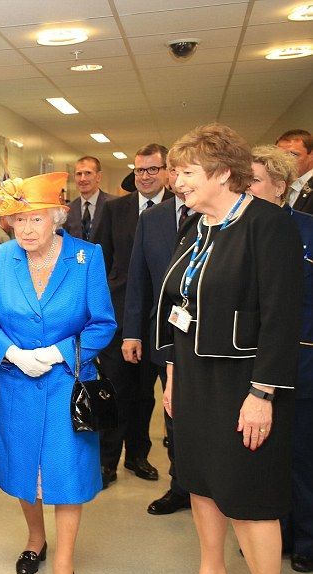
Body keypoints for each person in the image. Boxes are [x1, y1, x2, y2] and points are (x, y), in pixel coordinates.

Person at [156, 124, 303, 574]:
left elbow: (282, 318)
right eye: (176, 172)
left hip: (245, 381)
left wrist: (263, 394)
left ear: (222, 173)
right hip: (194, 375)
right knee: (200, 480)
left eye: (188, 172)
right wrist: (173, 375)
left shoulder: (268, 225)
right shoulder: (196, 227)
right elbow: (180, 305)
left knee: (248, 492)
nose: (178, 182)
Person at [0, 172, 116, 574]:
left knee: (65, 472)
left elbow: (103, 324)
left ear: (57, 217)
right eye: (18, 220)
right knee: (23, 467)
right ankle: (36, 539)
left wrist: (57, 353)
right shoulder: (1, 257)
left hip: (67, 382)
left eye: (36, 219)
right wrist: (11, 353)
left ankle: (64, 566)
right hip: (17, 381)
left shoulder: (86, 257)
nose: (27, 230)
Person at [248, 144, 313, 574]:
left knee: (301, 453)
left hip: (301, 360)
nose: (245, 188)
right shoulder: (233, 231)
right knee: (261, 453)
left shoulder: (305, 229)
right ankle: (274, 531)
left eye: (253, 180)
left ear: (280, 186)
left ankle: (306, 536)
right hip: (249, 362)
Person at [93, 143, 172, 488]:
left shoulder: (182, 208)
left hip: (165, 321)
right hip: (120, 316)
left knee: (146, 394)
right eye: (140, 170)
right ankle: (106, 462)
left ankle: (137, 455)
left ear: (168, 171)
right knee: (115, 390)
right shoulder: (115, 210)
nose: (145, 176)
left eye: (153, 169)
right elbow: (100, 262)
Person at [123, 168, 198, 516]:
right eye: (179, 173)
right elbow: (137, 278)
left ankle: (209, 487)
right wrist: (132, 332)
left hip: (210, 339)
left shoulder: (217, 215)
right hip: (162, 336)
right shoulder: (152, 219)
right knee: (172, 414)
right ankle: (180, 486)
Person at [63, 156, 110, 241]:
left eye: (88, 173)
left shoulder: (113, 205)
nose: (82, 179)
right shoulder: (68, 210)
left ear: (98, 176)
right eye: (79, 174)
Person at [276, 129, 313, 214]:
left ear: (311, 155)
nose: (285, 161)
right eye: (279, 155)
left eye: (293, 155)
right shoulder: (275, 183)